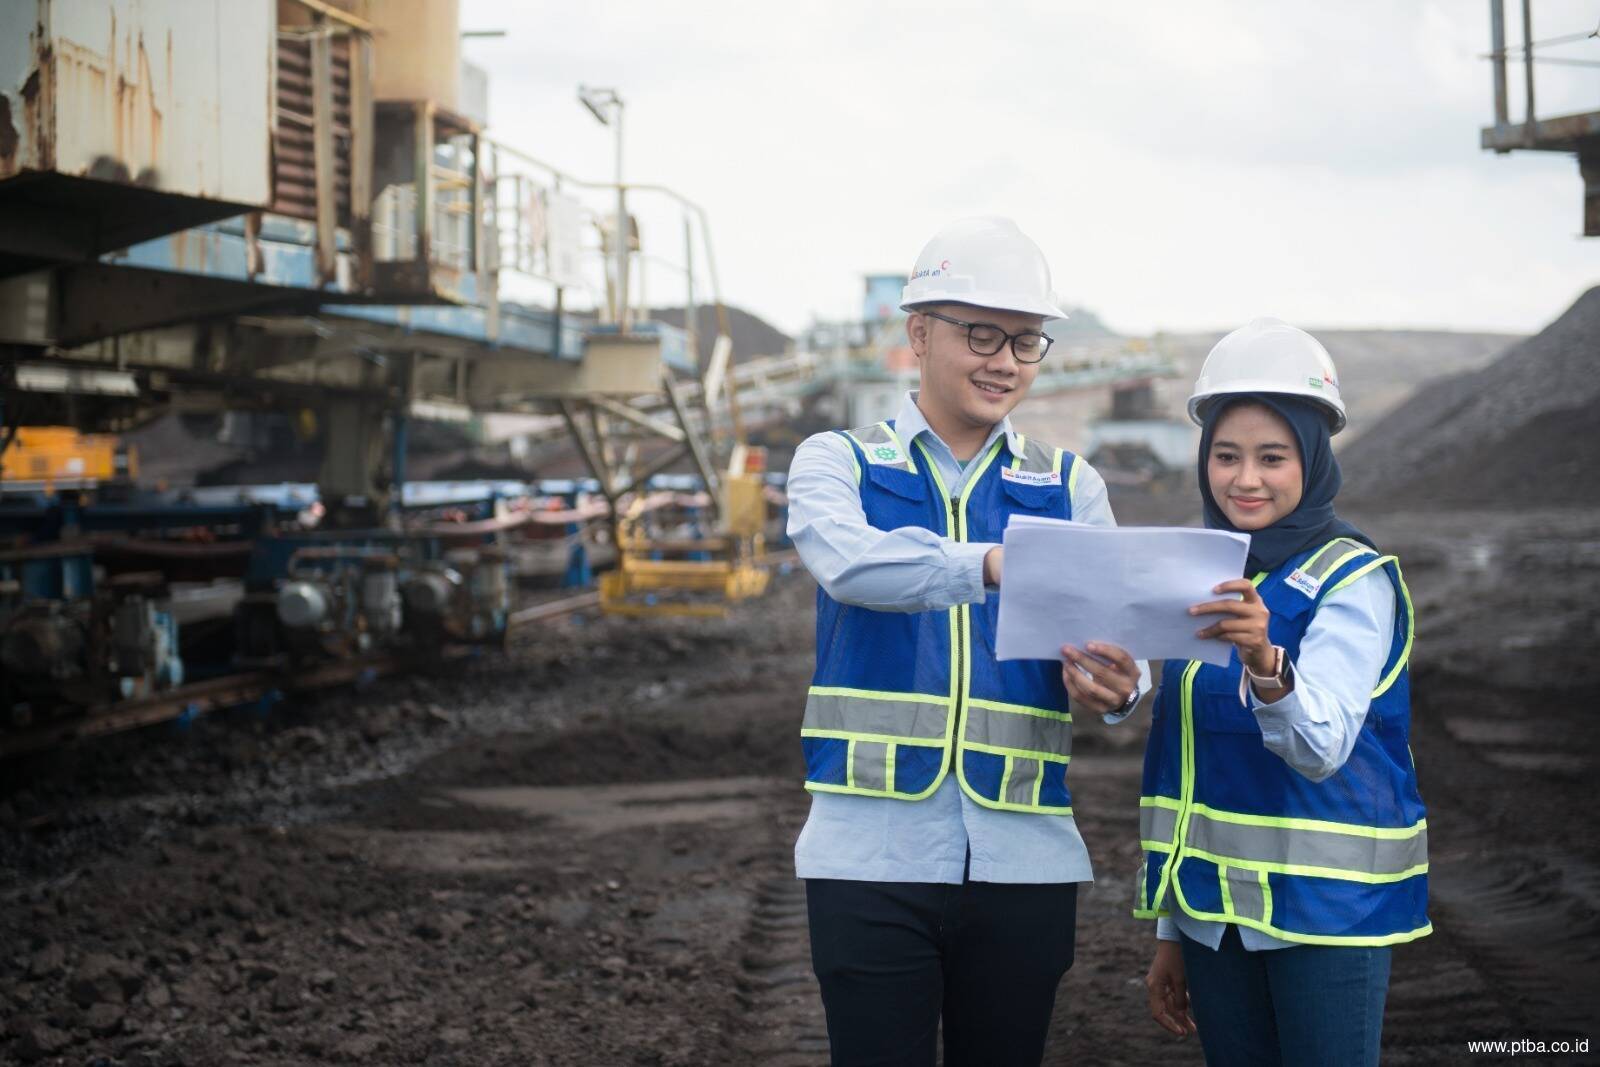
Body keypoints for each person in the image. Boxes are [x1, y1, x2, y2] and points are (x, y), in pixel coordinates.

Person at [786, 216, 1149, 1067]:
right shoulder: (837, 462)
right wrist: (988, 561)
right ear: (917, 333)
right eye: (981, 333)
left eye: (1026, 341)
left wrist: (1121, 686)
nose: (1005, 361)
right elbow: (852, 566)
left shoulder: (1069, 487)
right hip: (867, 854)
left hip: (1024, 857)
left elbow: (1127, 652)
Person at [1126, 318, 1429, 1067]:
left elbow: (1321, 744)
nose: (1245, 478)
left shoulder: (1352, 581)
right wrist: (1174, 931)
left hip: (1326, 919)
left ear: (1314, 459)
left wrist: (1265, 656)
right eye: (1226, 456)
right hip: (1212, 921)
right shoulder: (1204, 571)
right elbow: (1188, 767)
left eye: (1272, 456)